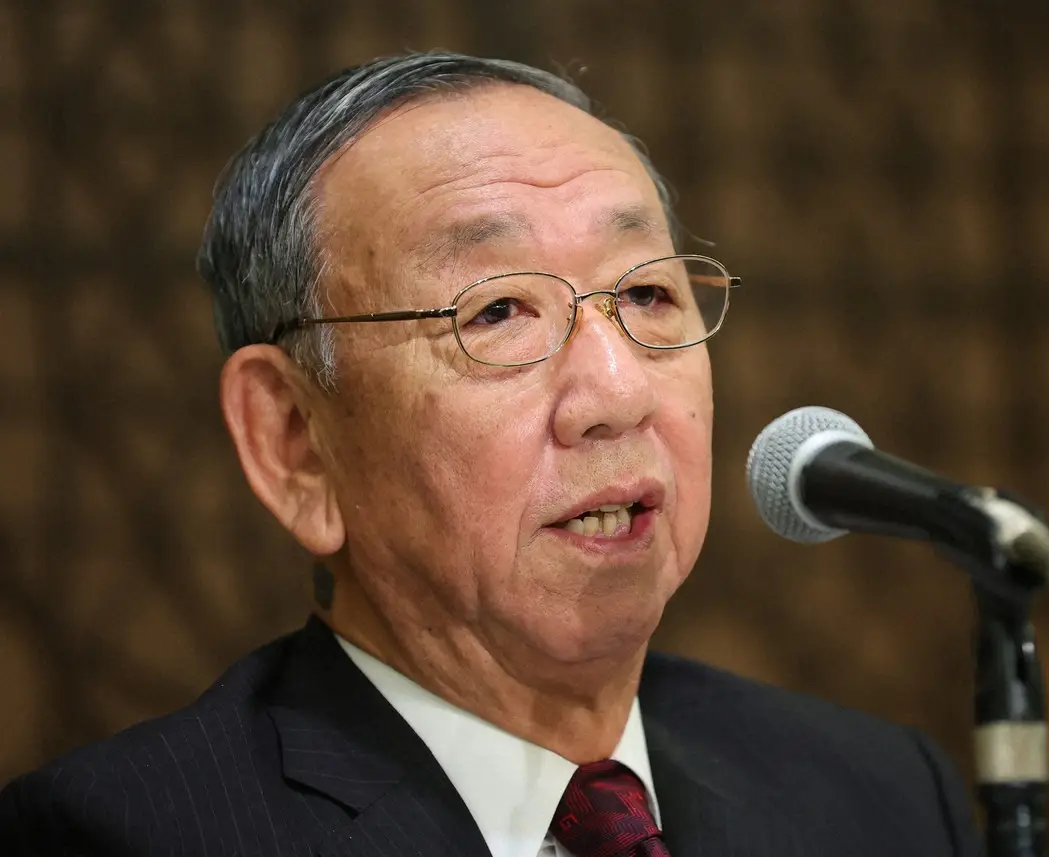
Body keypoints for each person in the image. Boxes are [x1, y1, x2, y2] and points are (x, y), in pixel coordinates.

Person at [0, 52, 982, 857]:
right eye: (499, 311)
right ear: (295, 442)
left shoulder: (881, 797)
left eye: (647, 295)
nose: (618, 393)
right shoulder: (128, 833)